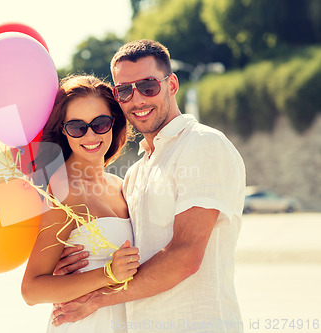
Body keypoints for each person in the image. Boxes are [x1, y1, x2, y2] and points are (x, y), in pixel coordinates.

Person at [50, 40, 246, 333]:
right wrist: (70, 273)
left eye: (148, 86)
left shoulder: (203, 144)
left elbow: (185, 256)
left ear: (172, 84)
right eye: (124, 90)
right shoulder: (135, 173)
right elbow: (123, 253)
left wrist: (95, 300)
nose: (137, 99)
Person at [21, 74, 141, 333]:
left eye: (100, 123)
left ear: (114, 123)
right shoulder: (62, 190)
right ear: (63, 131)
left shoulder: (120, 185)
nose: (90, 135)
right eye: (77, 127)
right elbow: (31, 290)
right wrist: (107, 273)